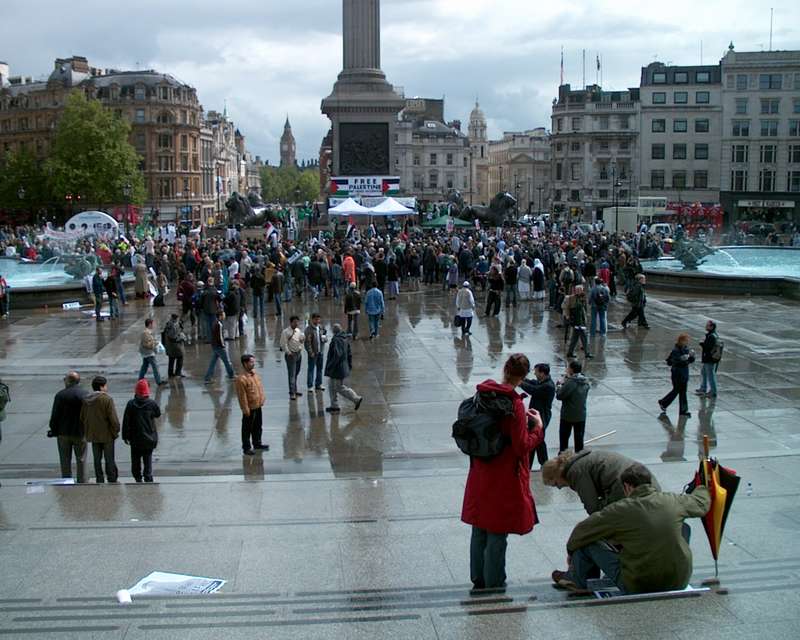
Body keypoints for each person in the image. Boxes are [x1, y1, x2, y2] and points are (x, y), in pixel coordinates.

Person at [552, 463, 710, 594]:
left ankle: (577, 580)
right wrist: (703, 485)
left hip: (638, 585)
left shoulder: (620, 509)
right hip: (678, 581)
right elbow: (702, 503)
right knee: (683, 526)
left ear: (627, 486)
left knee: (589, 541)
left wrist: (570, 552)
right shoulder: (673, 500)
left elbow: (582, 531)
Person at [461, 353, 544, 592]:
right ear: (523, 377)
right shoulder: (514, 403)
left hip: (481, 471)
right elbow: (521, 446)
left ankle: (478, 577)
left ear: (505, 370)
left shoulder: (483, 394)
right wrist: (538, 429)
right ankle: (494, 582)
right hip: (504, 475)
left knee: (479, 528)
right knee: (497, 530)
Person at [543, 449, 660, 515]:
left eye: (556, 484)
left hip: (624, 486)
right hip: (646, 479)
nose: (559, 487)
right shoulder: (584, 459)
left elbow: (593, 508)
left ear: (557, 473)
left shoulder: (576, 472)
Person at [47, 371, 89, 483]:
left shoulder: (60, 395)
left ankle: (66, 481)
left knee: (65, 460)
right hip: (80, 432)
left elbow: (55, 415)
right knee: (81, 459)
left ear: (69, 381)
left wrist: (53, 430)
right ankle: (83, 481)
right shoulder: (84, 394)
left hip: (63, 432)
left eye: (65, 378)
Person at [80, 376, 120, 483]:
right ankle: (111, 478)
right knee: (109, 458)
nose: (106, 387)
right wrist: (116, 430)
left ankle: (99, 478)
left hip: (93, 434)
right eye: (105, 385)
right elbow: (113, 418)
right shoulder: (107, 399)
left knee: (97, 459)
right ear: (101, 387)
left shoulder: (86, 400)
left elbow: (82, 417)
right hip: (107, 434)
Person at [122, 379, 161, 483]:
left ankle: (137, 477)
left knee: (135, 459)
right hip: (149, 436)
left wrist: (125, 436)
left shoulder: (131, 404)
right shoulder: (151, 403)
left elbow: (126, 421)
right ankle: (148, 477)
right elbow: (158, 414)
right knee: (147, 459)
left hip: (135, 437)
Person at [520, 363, 555, 468]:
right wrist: (522, 378)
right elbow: (532, 383)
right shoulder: (542, 382)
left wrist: (520, 383)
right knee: (537, 440)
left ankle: (542, 463)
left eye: (536, 372)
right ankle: (539, 463)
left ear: (542, 373)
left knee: (538, 440)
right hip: (536, 415)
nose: (534, 373)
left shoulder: (548, 386)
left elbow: (534, 390)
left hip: (542, 416)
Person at [324, 324, 363, 413]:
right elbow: (349, 354)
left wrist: (330, 366)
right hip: (342, 367)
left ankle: (356, 399)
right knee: (331, 385)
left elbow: (337, 355)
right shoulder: (344, 338)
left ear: (334, 331)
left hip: (337, 368)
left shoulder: (336, 340)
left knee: (339, 387)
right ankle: (334, 405)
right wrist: (349, 365)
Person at [235, 354, 269, 455]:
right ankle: (246, 447)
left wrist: (262, 399)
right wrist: (245, 409)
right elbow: (242, 396)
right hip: (250, 407)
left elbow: (259, 388)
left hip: (257, 405)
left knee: (258, 426)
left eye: (253, 362)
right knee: (247, 428)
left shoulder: (255, 374)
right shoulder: (241, 379)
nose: (253, 364)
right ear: (245, 364)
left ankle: (257, 443)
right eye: (251, 362)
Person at [556, 360, 590, 452]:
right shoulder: (585, 381)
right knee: (579, 441)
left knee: (564, 441)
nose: (566, 369)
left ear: (571, 369)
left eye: (568, 367)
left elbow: (560, 396)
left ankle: (563, 458)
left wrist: (559, 385)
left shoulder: (570, 382)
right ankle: (579, 458)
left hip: (568, 415)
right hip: (581, 415)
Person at [659, 333, 695, 418]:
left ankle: (682, 410)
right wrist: (684, 359)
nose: (687, 342)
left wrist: (691, 357)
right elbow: (675, 362)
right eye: (686, 341)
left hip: (684, 373)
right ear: (681, 341)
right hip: (677, 373)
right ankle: (664, 402)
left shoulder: (686, 349)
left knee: (682, 392)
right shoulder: (676, 351)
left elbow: (690, 360)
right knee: (677, 390)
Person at [204, 311, 236, 383]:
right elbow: (220, 336)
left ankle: (208, 377)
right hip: (219, 346)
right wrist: (223, 345)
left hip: (215, 345)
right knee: (227, 361)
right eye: (223, 315)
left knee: (213, 363)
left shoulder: (215, 323)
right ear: (220, 316)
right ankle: (231, 374)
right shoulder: (219, 324)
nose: (224, 316)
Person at [280, 315, 305, 399]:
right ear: (290, 322)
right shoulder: (286, 332)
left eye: (297, 322)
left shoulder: (298, 330)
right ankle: (292, 392)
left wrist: (302, 342)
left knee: (296, 373)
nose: (296, 323)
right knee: (292, 374)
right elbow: (283, 344)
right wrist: (288, 353)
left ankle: (295, 389)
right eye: (294, 322)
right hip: (291, 355)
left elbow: (300, 341)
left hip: (298, 354)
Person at [565, 285, 593, 359]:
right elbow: (567, 307)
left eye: (580, 290)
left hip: (582, 320)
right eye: (577, 290)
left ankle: (570, 352)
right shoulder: (571, 298)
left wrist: (586, 318)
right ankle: (587, 353)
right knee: (584, 337)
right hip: (576, 320)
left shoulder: (583, 297)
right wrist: (568, 316)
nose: (578, 291)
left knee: (575, 338)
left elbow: (585, 309)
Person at [138, 318, 166, 385]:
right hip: (149, 353)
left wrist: (154, 342)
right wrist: (154, 344)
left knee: (144, 366)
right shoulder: (146, 333)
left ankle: (140, 379)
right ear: (150, 324)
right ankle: (159, 381)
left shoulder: (148, 332)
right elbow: (146, 344)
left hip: (146, 353)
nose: (154, 325)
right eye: (153, 324)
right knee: (155, 367)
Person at [304, 313, 327, 391]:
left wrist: (325, 339)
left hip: (320, 352)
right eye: (316, 319)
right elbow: (307, 343)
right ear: (312, 319)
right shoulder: (308, 329)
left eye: (318, 319)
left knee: (320, 369)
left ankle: (319, 384)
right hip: (313, 353)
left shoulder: (321, 328)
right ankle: (310, 386)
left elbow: (325, 337)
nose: (317, 321)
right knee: (311, 369)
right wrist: (311, 352)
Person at [696, 320, 719, 398]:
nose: (706, 326)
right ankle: (703, 388)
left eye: (708, 325)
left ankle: (713, 391)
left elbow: (708, 347)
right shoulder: (711, 335)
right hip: (708, 358)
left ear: (712, 327)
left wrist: (702, 344)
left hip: (709, 359)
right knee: (704, 372)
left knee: (710, 375)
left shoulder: (711, 336)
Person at [163, 313, 186, 378]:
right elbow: (173, 337)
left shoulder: (169, 324)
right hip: (175, 346)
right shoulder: (173, 325)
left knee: (171, 360)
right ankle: (177, 373)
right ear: (176, 318)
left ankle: (171, 374)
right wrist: (181, 338)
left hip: (170, 346)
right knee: (180, 358)